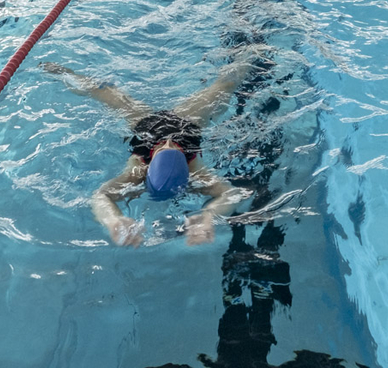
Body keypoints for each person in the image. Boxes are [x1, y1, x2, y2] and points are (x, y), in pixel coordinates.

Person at [43, 52, 264, 247]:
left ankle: (63, 73)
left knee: (105, 91)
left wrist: (114, 220)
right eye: (169, 147)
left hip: (145, 125)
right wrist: (209, 216)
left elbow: (100, 196)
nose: (167, 142)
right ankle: (250, 53)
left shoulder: (137, 172)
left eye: (167, 148)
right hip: (186, 122)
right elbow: (232, 193)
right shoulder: (196, 171)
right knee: (223, 86)